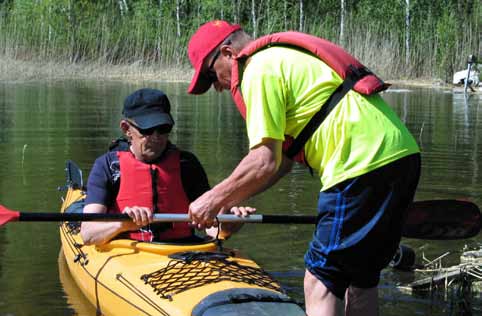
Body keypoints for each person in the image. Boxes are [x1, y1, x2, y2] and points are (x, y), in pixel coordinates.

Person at [186, 21, 421, 316]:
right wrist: (231, 200)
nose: (218, 87)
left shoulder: (257, 69)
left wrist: (212, 199)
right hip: (403, 155)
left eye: (211, 75)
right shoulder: (280, 58)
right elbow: (281, 162)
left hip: (358, 164)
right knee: (361, 278)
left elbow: (263, 160)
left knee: (320, 281)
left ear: (228, 53)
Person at [80, 88, 254, 246]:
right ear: (126, 129)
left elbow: (210, 229)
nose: (157, 137)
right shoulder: (108, 166)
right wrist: (124, 224)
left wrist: (228, 224)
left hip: (182, 250)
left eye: (163, 128)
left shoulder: (187, 165)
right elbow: (88, 234)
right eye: (148, 130)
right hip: (125, 250)